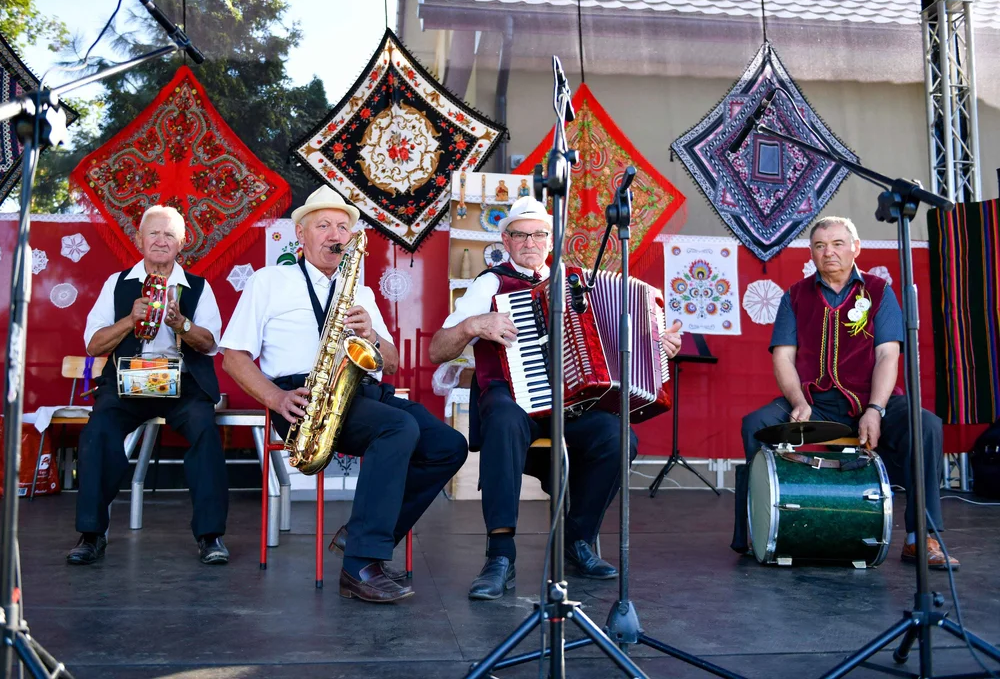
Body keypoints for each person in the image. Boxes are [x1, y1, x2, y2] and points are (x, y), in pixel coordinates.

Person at [220, 186, 467, 603]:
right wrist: (276, 400)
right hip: (300, 395)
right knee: (398, 428)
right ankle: (359, 566)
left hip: (359, 389)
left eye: (342, 227)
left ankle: (363, 531)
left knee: (449, 445)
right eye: (324, 226)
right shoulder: (269, 281)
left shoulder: (361, 291)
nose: (335, 234)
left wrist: (371, 332)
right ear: (300, 235)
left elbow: (389, 362)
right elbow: (233, 357)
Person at [428, 197, 683, 600]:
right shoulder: (490, 284)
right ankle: (500, 554)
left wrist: (658, 344)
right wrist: (476, 323)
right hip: (513, 401)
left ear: (552, 240)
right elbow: (438, 349)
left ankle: (577, 539)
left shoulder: (580, 282)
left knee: (619, 438)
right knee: (504, 417)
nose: (530, 242)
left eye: (539, 234)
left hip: (572, 404)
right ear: (505, 240)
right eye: (520, 235)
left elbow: (621, 340)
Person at [735, 216, 957, 568]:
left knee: (925, 425)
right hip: (815, 405)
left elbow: (887, 355)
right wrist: (798, 401)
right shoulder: (794, 296)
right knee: (755, 424)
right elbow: (783, 358)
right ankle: (757, 530)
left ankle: (920, 537)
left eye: (838, 244)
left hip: (872, 400)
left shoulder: (880, 292)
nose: (829, 252)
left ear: (856, 248)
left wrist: (876, 409)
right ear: (811, 253)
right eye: (820, 246)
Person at [68, 205, 229, 566]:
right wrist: (129, 319)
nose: (160, 240)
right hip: (128, 383)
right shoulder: (117, 284)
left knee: (205, 431)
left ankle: (210, 536)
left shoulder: (198, 288)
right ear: (139, 240)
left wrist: (180, 324)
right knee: (99, 432)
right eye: (153, 233)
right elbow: (93, 345)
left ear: (182, 243)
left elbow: (211, 344)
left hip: (182, 384)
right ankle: (91, 534)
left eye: (169, 234)